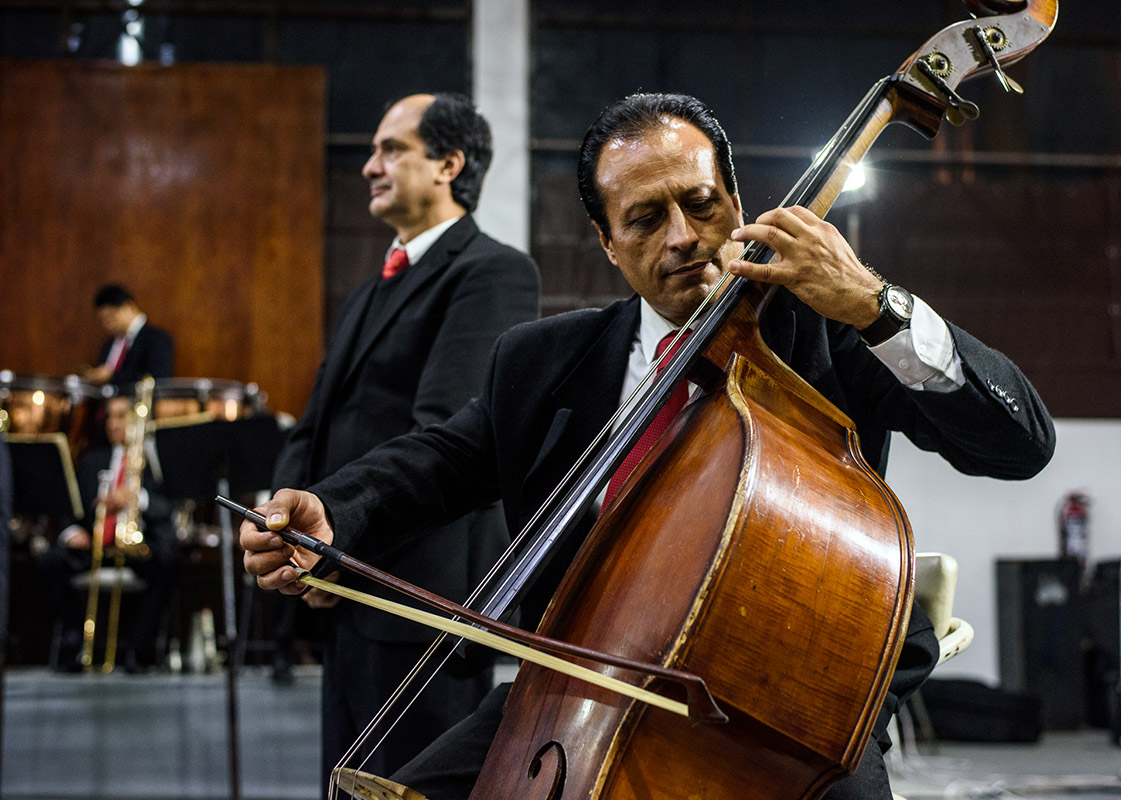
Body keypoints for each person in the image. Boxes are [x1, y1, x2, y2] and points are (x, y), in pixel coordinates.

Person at [243, 93, 1054, 798]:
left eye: (702, 204)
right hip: (576, 692)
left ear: (737, 199)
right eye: (644, 218)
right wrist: (336, 509)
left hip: (789, 710)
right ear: (605, 241)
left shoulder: (829, 335)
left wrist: (876, 305)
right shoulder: (541, 361)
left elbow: (1020, 442)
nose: (684, 239)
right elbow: (443, 460)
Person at [267, 92, 539, 780]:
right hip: (343, 593)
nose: (369, 166)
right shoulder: (368, 290)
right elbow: (315, 423)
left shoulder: (492, 272)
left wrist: (339, 544)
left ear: (450, 163)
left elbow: (447, 435)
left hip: (417, 606)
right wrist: (292, 533)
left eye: (391, 149)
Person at [37, 394, 179, 673]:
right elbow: (72, 507)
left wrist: (136, 497)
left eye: (121, 416)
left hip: (136, 548)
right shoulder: (93, 460)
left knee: (168, 562)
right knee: (49, 561)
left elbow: (168, 509)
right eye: (110, 417)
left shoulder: (152, 461)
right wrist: (72, 532)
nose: (113, 424)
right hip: (95, 545)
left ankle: (137, 651)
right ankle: (76, 643)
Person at [83, 284, 174, 388]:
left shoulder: (157, 339)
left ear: (128, 307)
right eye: (103, 319)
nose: (108, 323)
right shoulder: (108, 344)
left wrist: (112, 376)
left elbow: (157, 379)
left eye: (111, 316)